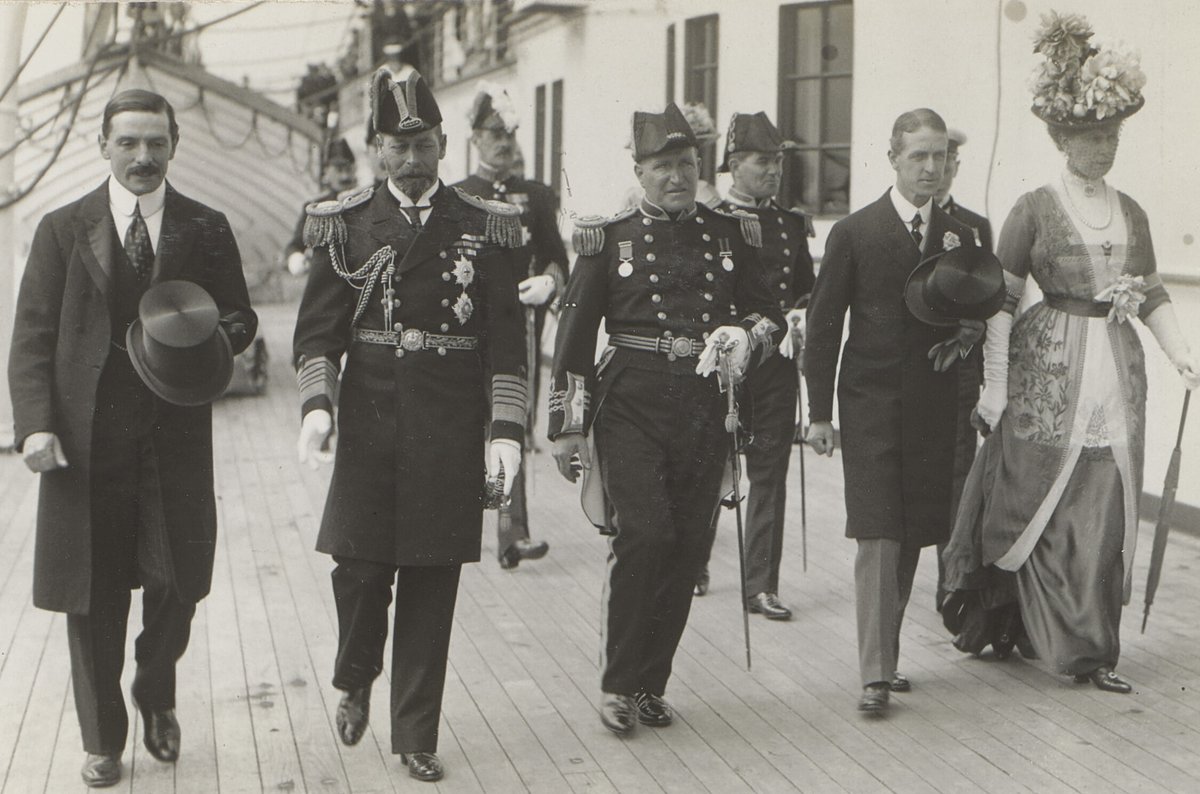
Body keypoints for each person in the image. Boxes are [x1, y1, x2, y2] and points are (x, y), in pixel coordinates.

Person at [942, 12, 1200, 693]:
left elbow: (1148, 293)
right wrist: (993, 386)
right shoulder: (1033, 208)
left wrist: (1181, 352)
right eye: (1090, 136)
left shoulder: (1133, 211)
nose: (1103, 148)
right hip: (1045, 372)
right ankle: (1019, 623)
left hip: (1116, 373)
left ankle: (1089, 649)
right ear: (1061, 136)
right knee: (1038, 500)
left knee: (1105, 502)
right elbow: (1000, 301)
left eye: (1111, 134)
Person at [8, 89, 256, 787]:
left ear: (174, 144)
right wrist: (34, 426)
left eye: (156, 142)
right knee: (91, 594)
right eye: (129, 143)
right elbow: (31, 338)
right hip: (85, 445)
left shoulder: (205, 227)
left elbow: (240, 317)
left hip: (172, 434)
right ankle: (103, 740)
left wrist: (209, 337)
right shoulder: (62, 229)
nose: (143, 157)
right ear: (103, 146)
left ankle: (155, 688)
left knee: (179, 580)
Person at [293, 67, 526, 782]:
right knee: (359, 571)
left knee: (431, 579)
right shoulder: (347, 223)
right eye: (398, 146)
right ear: (376, 150)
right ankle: (357, 671)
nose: (413, 158)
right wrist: (317, 407)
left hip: (450, 427)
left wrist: (507, 432)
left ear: (444, 143)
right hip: (369, 424)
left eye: (424, 143)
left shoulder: (486, 225)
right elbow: (316, 334)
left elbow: (508, 338)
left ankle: (415, 734)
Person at [549, 102, 785, 736]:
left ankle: (652, 684)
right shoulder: (610, 239)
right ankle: (617, 684)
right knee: (646, 536)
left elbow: (771, 316)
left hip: (705, 407)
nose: (675, 177)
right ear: (639, 170)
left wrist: (746, 339)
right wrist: (568, 426)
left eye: (685, 164)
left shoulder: (730, 234)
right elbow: (573, 338)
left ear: (699, 165)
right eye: (661, 167)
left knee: (685, 550)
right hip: (629, 402)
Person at [805, 108, 985, 714]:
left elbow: (982, 316)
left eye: (940, 156)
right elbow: (825, 329)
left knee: (911, 533)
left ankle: (886, 653)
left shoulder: (968, 231)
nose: (931, 168)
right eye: (918, 157)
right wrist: (819, 413)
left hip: (937, 410)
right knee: (879, 530)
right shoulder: (855, 232)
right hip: (871, 406)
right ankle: (875, 675)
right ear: (893, 159)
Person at [694, 111, 815, 617]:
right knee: (708, 467)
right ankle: (692, 563)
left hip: (776, 369)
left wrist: (804, 316)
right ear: (734, 165)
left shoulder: (790, 224)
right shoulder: (711, 221)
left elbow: (808, 286)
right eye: (763, 162)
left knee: (769, 473)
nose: (774, 171)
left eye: (778, 162)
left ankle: (760, 584)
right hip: (723, 365)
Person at [454, 83, 567, 569]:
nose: (503, 142)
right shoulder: (459, 196)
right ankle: (459, 522)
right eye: (493, 133)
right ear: (475, 139)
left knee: (511, 424)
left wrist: (549, 281)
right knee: (465, 427)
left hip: (517, 326)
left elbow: (559, 259)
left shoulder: (536, 196)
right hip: (464, 327)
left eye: (509, 133)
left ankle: (509, 531)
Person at [932, 128, 995, 613]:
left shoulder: (974, 226)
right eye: (935, 158)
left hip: (960, 371)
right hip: (916, 366)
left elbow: (988, 299)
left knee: (957, 473)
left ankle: (949, 584)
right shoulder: (903, 221)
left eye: (950, 160)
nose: (941, 168)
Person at [285, 138, 358, 276]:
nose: (345, 176)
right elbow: (294, 246)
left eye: (348, 169)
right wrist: (296, 259)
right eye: (339, 169)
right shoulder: (314, 208)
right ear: (326, 171)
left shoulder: (364, 202)